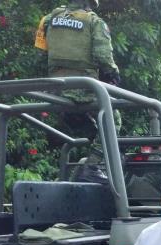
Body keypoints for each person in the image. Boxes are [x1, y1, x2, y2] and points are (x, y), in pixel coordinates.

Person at [35, 0, 121, 140]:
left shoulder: (49, 19)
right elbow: (103, 56)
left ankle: (87, 134)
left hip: (55, 87)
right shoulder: (94, 22)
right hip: (84, 88)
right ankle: (98, 157)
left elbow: (42, 51)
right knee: (113, 115)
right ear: (89, 3)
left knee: (82, 117)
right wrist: (113, 74)